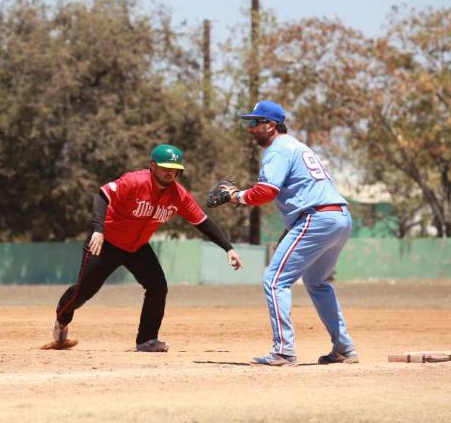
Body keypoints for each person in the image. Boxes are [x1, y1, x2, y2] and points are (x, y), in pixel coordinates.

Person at [50, 144, 243, 352]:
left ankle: (147, 340)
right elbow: (102, 196)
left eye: (175, 169)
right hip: (107, 243)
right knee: (84, 291)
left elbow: (202, 222)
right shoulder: (134, 181)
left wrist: (228, 248)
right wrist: (98, 229)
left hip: (137, 247)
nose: (170, 173)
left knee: (158, 286)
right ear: (152, 165)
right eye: (165, 167)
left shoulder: (178, 195)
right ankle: (62, 321)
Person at [225, 100, 357, 366]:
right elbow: (304, 190)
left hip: (316, 217)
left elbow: (265, 192)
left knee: (275, 281)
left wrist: (235, 196)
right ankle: (344, 348)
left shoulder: (278, 149)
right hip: (338, 217)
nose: (250, 128)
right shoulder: (297, 146)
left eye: (255, 122)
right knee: (317, 282)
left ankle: (283, 351)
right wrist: (290, 230)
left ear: (271, 125)